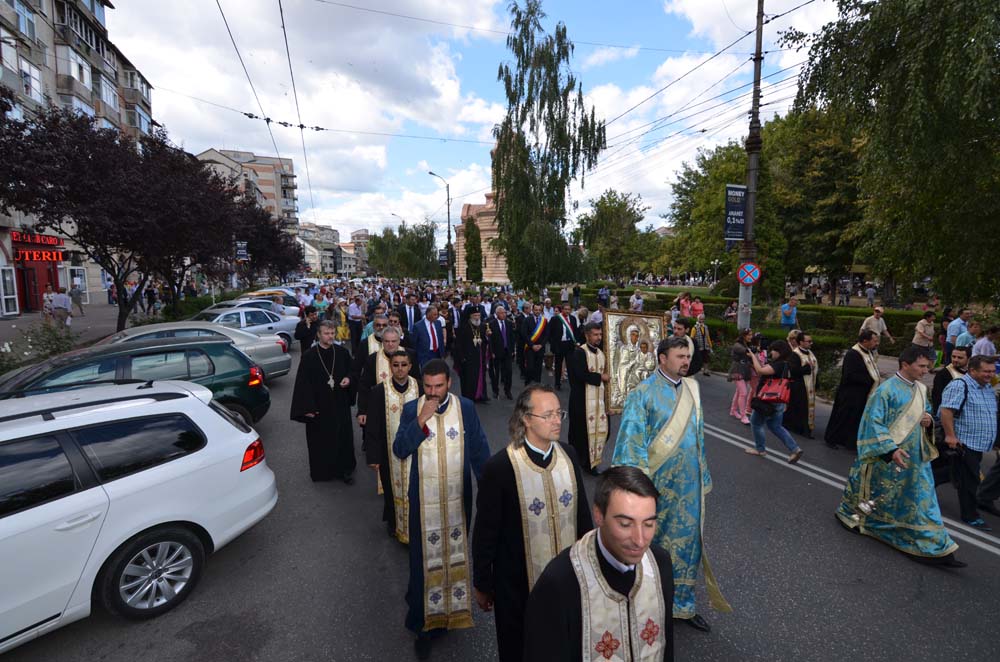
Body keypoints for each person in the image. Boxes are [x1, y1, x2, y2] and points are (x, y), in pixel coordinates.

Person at [612, 337, 731, 632]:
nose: (686, 361)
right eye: (680, 356)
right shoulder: (642, 394)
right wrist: (637, 490)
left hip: (688, 485)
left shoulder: (692, 388)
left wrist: (702, 474)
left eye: (687, 356)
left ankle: (682, 605)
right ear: (662, 358)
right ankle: (644, 604)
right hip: (655, 486)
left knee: (688, 544)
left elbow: (698, 435)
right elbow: (631, 442)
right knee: (648, 544)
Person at [471, 385, 592, 662]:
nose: (557, 420)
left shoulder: (569, 455)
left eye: (558, 413)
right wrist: (482, 582)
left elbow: (582, 515)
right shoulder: (500, 467)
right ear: (526, 419)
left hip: (568, 580)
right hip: (517, 588)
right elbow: (486, 531)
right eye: (547, 415)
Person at [523, 466, 674, 662]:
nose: (640, 540)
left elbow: (665, 644)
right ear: (598, 515)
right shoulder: (560, 582)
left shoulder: (660, 564)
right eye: (625, 524)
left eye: (648, 524)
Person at [392, 360, 491, 659]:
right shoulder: (413, 409)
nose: (433, 393)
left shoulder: (466, 408)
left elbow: (479, 450)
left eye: (439, 386)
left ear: (449, 383)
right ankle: (423, 625)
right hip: (424, 501)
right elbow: (399, 449)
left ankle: (449, 610)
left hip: (457, 498)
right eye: (428, 386)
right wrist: (420, 420)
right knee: (424, 561)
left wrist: (489, 489)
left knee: (455, 553)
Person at [835, 347, 966, 567]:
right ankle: (872, 522)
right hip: (888, 456)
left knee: (920, 499)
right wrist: (890, 450)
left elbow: (926, 412)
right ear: (906, 364)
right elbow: (872, 423)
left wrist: (927, 420)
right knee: (887, 496)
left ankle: (934, 543)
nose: (926, 371)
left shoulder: (921, 389)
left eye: (928, 366)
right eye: (922, 366)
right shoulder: (885, 390)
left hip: (915, 456)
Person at [365, 349, 422, 541]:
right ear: (390, 367)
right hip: (389, 452)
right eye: (395, 365)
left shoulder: (419, 387)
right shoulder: (379, 391)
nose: (400, 369)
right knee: (391, 490)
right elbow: (372, 426)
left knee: (416, 489)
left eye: (404, 365)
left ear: (410, 366)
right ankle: (394, 524)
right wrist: (373, 456)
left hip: (417, 450)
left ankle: (415, 525)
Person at [289, 321, 357, 484]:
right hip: (319, 406)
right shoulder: (309, 356)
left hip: (339, 404)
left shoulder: (341, 353)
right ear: (319, 335)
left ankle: (344, 471)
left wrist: (348, 379)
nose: (330, 336)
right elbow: (302, 384)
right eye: (326, 333)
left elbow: (352, 371)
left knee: (342, 438)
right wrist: (307, 407)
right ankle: (323, 472)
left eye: (332, 333)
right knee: (321, 440)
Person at [939, 355, 998, 529]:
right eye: (986, 371)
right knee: (970, 481)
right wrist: (950, 436)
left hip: (979, 443)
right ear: (972, 370)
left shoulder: (987, 387)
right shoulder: (960, 385)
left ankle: (918, 487)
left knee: (953, 472)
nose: (990, 374)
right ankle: (970, 515)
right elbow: (946, 411)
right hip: (964, 442)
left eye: (992, 371)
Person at [744, 340, 804, 463]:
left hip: (768, 400)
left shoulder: (779, 365)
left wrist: (754, 356)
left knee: (756, 423)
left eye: (773, 350)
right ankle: (795, 449)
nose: (771, 352)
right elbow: (763, 368)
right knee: (775, 426)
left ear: (779, 351)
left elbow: (760, 371)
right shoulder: (786, 364)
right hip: (779, 399)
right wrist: (754, 359)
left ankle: (760, 449)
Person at [825, 330, 881, 450]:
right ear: (865, 341)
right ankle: (831, 439)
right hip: (850, 393)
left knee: (855, 418)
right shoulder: (853, 354)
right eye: (874, 340)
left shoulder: (868, 353)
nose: (876, 343)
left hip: (862, 393)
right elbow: (849, 375)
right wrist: (868, 380)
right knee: (842, 416)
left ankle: (847, 441)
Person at [568, 322, 610, 476]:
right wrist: (600, 377)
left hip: (599, 401)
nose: (598, 337)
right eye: (595, 334)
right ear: (587, 335)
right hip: (582, 401)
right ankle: (584, 464)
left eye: (600, 334)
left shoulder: (602, 353)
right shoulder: (579, 352)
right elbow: (579, 375)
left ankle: (592, 461)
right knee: (581, 434)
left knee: (604, 431)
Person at [786, 332, 818, 439]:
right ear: (801, 342)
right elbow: (793, 371)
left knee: (806, 408)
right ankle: (800, 429)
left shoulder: (810, 353)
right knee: (800, 408)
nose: (811, 343)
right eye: (808, 341)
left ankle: (805, 428)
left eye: (811, 341)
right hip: (799, 386)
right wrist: (807, 369)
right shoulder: (795, 354)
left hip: (809, 386)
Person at [455, 310, 490, 402]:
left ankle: (481, 395)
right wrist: (461, 357)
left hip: (479, 355)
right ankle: (470, 396)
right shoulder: (464, 327)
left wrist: (487, 336)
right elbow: (459, 344)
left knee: (481, 376)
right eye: (475, 315)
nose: (477, 317)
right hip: (468, 356)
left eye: (479, 315)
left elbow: (485, 341)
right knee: (469, 377)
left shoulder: (482, 326)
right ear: (470, 316)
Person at [488, 305, 515, 400]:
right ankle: (495, 391)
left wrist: (512, 350)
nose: (504, 314)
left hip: (507, 351)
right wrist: (492, 352)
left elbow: (512, 338)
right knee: (496, 373)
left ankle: (508, 391)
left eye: (505, 313)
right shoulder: (491, 324)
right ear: (497, 314)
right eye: (502, 313)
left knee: (508, 372)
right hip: (496, 352)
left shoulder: (509, 323)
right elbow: (490, 340)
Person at [549, 303, 578, 391]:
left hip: (569, 345)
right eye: (565, 309)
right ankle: (557, 383)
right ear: (562, 310)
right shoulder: (555, 319)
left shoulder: (573, 319)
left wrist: (576, 342)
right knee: (558, 365)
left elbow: (575, 331)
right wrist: (553, 345)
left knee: (570, 365)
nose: (567, 311)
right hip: (559, 345)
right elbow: (550, 332)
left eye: (569, 309)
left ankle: (572, 384)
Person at [728, 328, 754, 425]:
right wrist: (751, 351)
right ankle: (743, 416)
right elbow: (744, 351)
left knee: (739, 392)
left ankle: (733, 410)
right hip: (737, 370)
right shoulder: (738, 345)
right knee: (743, 393)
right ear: (743, 336)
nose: (750, 337)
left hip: (745, 370)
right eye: (749, 335)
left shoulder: (746, 344)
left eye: (751, 335)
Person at [520, 303, 548, 385]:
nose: (538, 311)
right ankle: (528, 384)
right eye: (536, 310)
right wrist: (532, 345)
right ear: (532, 310)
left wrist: (541, 345)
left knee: (538, 368)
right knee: (530, 367)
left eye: (539, 310)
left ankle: (537, 384)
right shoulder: (527, 320)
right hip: (530, 348)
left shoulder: (544, 321)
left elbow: (547, 334)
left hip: (540, 348)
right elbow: (524, 334)